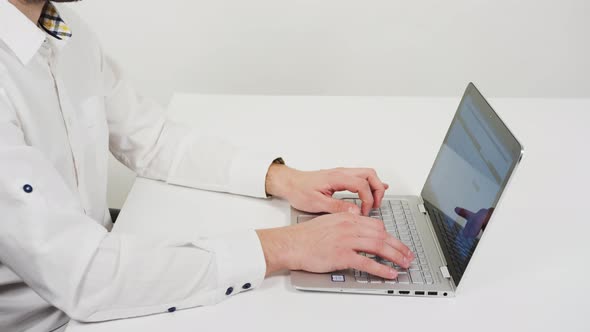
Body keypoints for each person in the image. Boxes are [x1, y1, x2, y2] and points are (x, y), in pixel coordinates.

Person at [0, 1, 414, 331]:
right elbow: (87, 277)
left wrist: (283, 179)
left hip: (97, 280)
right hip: (51, 316)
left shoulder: (64, 30)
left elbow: (152, 138)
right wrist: (290, 245)